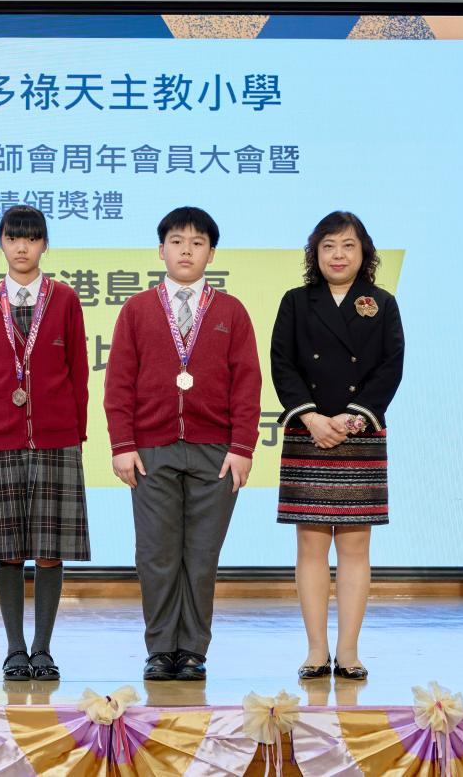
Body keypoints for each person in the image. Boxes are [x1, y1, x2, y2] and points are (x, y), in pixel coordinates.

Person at [103, 206, 262, 682]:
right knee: (156, 555)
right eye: (176, 241)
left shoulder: (231, 311)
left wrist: (243, 447)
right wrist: (122, 444)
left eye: (197, 243)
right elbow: (118, 382)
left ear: (212, 253)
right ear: (161, 251)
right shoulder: (137, 310)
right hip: (151, 450)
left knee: (202, 556)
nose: (186, 250)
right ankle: (159, 649)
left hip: (217, 452)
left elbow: (247, 384)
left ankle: (192, 650)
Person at [270, 210, 404, 681]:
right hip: (308, 432)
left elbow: (390, 367)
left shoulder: (382, 303)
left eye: (348, 245)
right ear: (315, 253)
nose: (338, 255)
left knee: (355, 546)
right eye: (328, 246)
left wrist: (353, 417)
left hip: (359, 433)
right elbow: (282, 364)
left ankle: (348, 652)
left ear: (364, 252)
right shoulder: (295, 301)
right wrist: (311, 417)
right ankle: (315, 651)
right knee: (310, 546)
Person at [0, 205, 91, 682]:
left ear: (45, 245)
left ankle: (43, 648)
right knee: (9, 549)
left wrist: (74, 431)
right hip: (1, 439)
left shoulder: (65, 299)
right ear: (0, 243)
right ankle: (15, 649)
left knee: (51, 549)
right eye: (13, 238)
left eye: (32, 238)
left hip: (58, 439)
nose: (22, 247)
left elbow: (78, 371)